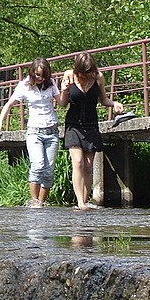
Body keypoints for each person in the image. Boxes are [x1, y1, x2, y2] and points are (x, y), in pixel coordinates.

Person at [59, 52, 124, 210]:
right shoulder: (69, 75)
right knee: (78, 161)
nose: (86, 75)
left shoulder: (98, 77)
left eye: (89, 72)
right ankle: (80, 202)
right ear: (78, 70)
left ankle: (85, 200)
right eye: (83, 72)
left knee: (88, 165)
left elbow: (103, 100)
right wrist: (64, 90)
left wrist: (114, 103)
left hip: (91, 124)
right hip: (73, 124)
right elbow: (62, 104)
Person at [0, 58, 60, 208]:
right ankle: (34, 201)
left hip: (52, 131)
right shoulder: (24, 85)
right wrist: (0, 122)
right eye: (37, 75)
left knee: (48, 171)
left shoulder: (51, 84)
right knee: (38, 165)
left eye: (43, 75)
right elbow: (9, 104)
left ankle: (41, 203)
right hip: (34, 132)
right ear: (32, 73)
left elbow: (61, 102)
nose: (40, 78)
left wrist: (67, 88)